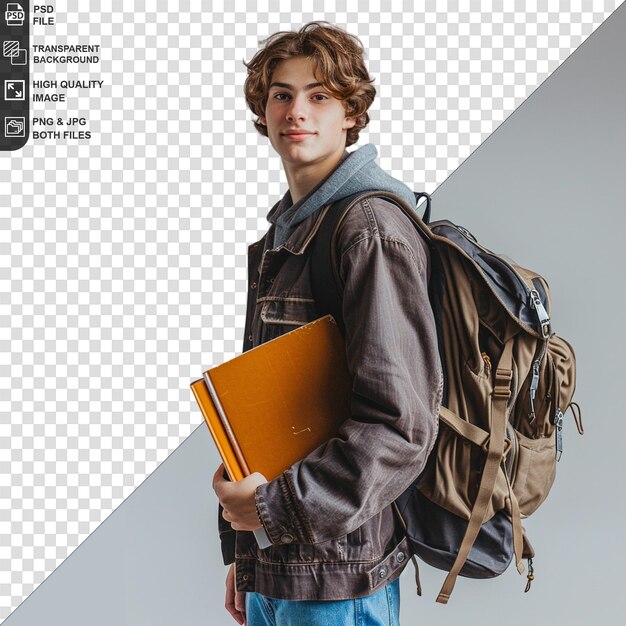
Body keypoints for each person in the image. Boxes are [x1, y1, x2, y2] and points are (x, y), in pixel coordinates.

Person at [212, 21, 442, 626]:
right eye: (281, 94)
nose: (297, 111)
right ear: (262, 112)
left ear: (351, 114)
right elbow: (270, 419)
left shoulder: (369, 230)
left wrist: (269, 514)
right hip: (281, 564)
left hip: (339, 581)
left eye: (319, 95)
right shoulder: (281, 240)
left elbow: (400, 426)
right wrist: (248, 553)